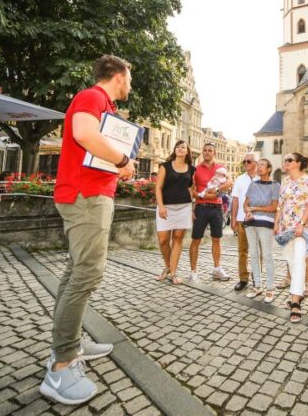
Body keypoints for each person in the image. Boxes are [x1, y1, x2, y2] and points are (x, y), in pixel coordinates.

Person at [39, 54, 137, 405]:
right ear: (116, 75)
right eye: (129, 76)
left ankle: (71, 341)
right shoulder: (92, 97)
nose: (131, 83)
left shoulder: (103, 104)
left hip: (90, 194)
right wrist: (124, 161)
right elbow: (82, 133)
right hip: (87, 196)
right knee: (87, 274)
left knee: (76, 271)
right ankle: (61, 365)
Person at [274, 152, 308, 323]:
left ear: (298, 163)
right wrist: (276, 224)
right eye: (285, 160)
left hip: (300, 228)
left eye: (289, 160)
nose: (286, 162)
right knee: (291, 262)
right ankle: (295, 292)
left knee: (299, 260)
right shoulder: (284, 181)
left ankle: (295, 302)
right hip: (285, 228)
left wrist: (302, 223)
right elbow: (280, 205)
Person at [190, 143, 233, 283]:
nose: (207, 152)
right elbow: (192, 190)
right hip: (201, 207)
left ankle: (217, 269)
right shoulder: (196, 169)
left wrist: (216, 191)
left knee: (217, 239)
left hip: (216, 208)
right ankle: (193, 272)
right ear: (202, 152)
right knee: (196, 239)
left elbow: (229, 182)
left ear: (214, 153)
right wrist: (202, 197)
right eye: (205, 150)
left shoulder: (220, 168)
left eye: (210, 150)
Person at [154, 140, 195, 285]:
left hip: (183, 207)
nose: (180, 149)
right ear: (174, 150)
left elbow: (191, 189)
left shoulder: (191, 169)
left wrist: (191, 208)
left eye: (183, 147)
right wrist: (161, 206)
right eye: (178, 146)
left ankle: (173, 272)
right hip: (166, 206)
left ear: (187, 151)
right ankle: (167, 266)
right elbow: (158, 187)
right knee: (163, 240)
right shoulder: (165, 166)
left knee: (178, 239)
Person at [243, 158, 280, 302]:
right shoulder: (253, 184)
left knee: (267, 255)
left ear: (269, 168)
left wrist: (255, 208)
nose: (259, 167)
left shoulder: (275, 185)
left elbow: (273, 207)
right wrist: (247, 211)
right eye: (257, 165)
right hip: (250, 222)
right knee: (253, 254)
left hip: (266, 222)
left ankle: (270, 288)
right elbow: (246, 203)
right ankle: (257, 285)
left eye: (262, 165)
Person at [231, 153, 259, 291]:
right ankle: (243, 278)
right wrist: (233, 219)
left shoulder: (262, 178)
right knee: (242, 251)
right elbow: (235, 200)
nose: (246, 163)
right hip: (242, 220)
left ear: (255, 163)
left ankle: (256, 278)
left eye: (249, 161)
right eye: (244, 162)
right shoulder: (240, 179)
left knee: (257, 251)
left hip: (258, 221)